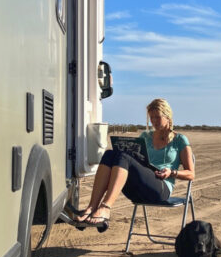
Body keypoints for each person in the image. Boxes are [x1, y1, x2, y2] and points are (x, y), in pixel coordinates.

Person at [77, 98, 194, 230]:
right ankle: (92, 207)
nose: (154, 121)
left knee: (123, 157)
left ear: (168, 116)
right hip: (138, 187)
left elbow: (191, 173)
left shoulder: (180, 140)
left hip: (160, 188)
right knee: (109, 154)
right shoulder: (146, 136)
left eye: (157, 117)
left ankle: (105, 208)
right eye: (151, 118)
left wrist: (171, 172)